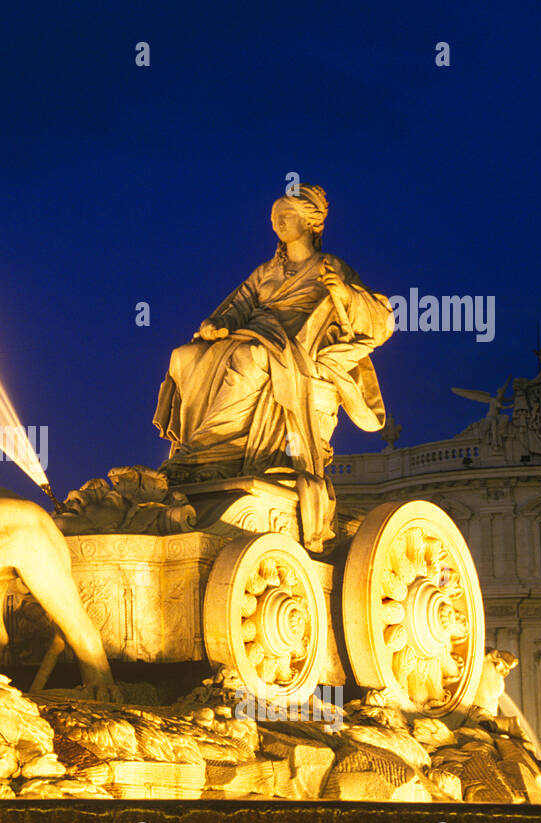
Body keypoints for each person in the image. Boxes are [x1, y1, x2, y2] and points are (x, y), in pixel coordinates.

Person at [153, 185, 393, 552]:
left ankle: (212, 446)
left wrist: (343, 293)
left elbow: (377, 320)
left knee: (250, 358)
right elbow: (239, 305)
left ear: (311, 222)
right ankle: (195, 453)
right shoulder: (265, 271)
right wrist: (216, 325)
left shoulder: (330, 267)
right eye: (274, 217)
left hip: (296, 348)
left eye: (287, 215)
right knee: (183, 356)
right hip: (257, 334)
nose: (278, 222)